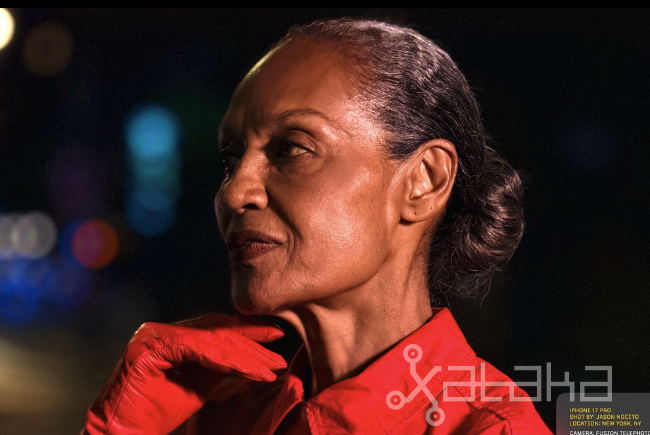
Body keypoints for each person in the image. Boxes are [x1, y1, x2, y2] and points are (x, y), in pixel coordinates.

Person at [83, 18, 552, 434]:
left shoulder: (492, 430)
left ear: (423, 182)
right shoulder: (229, 414)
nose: (233, 192)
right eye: (231, 160)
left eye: (291, 148)